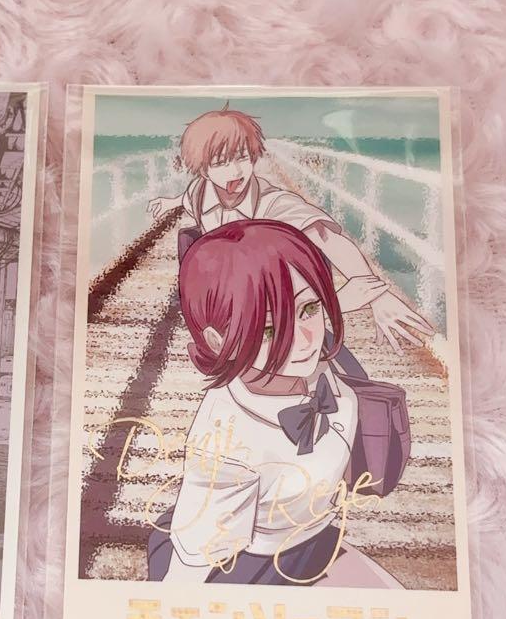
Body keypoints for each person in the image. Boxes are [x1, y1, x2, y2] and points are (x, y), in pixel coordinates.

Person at [149, 219, 403, 589]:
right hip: (250, 569)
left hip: (314, 538)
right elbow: (192, 564)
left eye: (309, 309)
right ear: (218, 342)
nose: (304, 340)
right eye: (269, 330)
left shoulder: (315, 365)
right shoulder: (225, 443)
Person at [146, 104, 434, 353]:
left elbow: (327, 238)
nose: (235, 172)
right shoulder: (202, 191)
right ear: (204, 170)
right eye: (221, 163)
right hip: (226, 296)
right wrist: (170, 202)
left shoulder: (273, 204)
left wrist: (378, 295)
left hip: (266, 294)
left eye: (242, 158)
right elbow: (188, 196)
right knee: (189, 241)